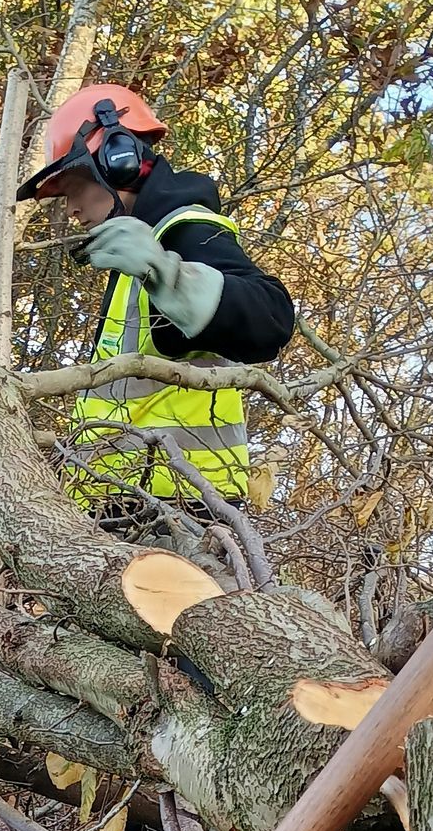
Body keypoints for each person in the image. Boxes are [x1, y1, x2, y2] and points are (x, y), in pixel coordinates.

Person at [17, 85, 295, 515]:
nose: (70, 209)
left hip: (178, 508)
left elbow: (270, 319)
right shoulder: (139, 251)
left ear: (119, 160)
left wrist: (166, 274)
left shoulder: (184, 230)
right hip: (127, 504)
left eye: (73, 187)